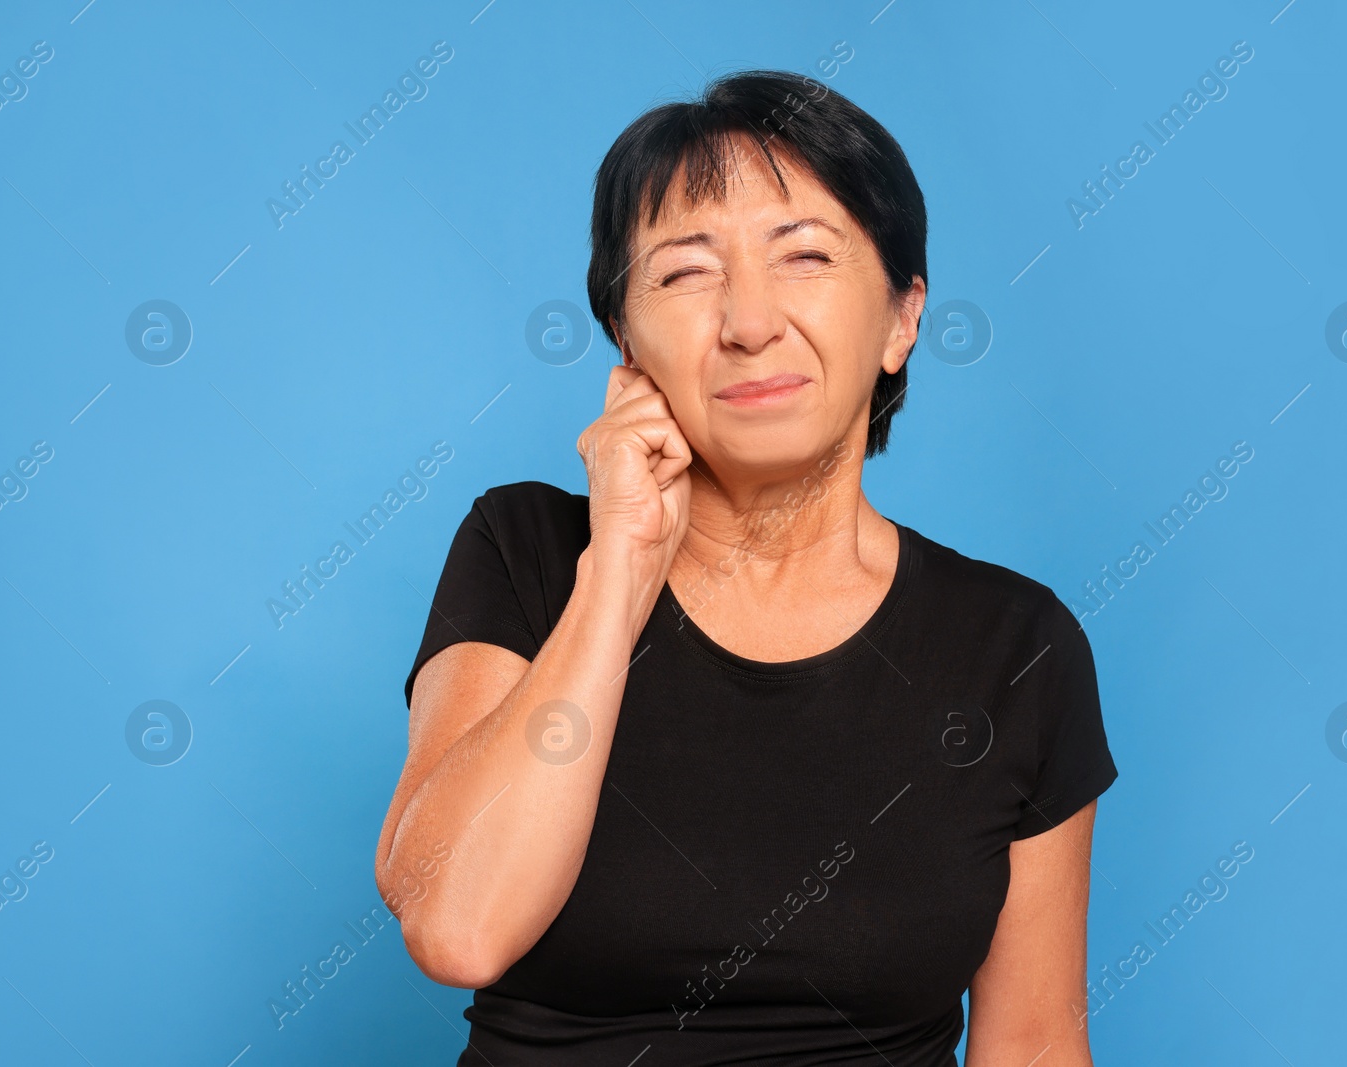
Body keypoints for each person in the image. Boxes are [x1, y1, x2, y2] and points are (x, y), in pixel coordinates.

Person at [374, 68, 1117, 1066]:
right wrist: (620, 572)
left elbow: (1031, 1044)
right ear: (623, 338)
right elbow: (455, 923)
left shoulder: (1015, 646)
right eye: (685, 272)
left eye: (806, 256)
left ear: (901, 317)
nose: (748, 321)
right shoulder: (528, 552)